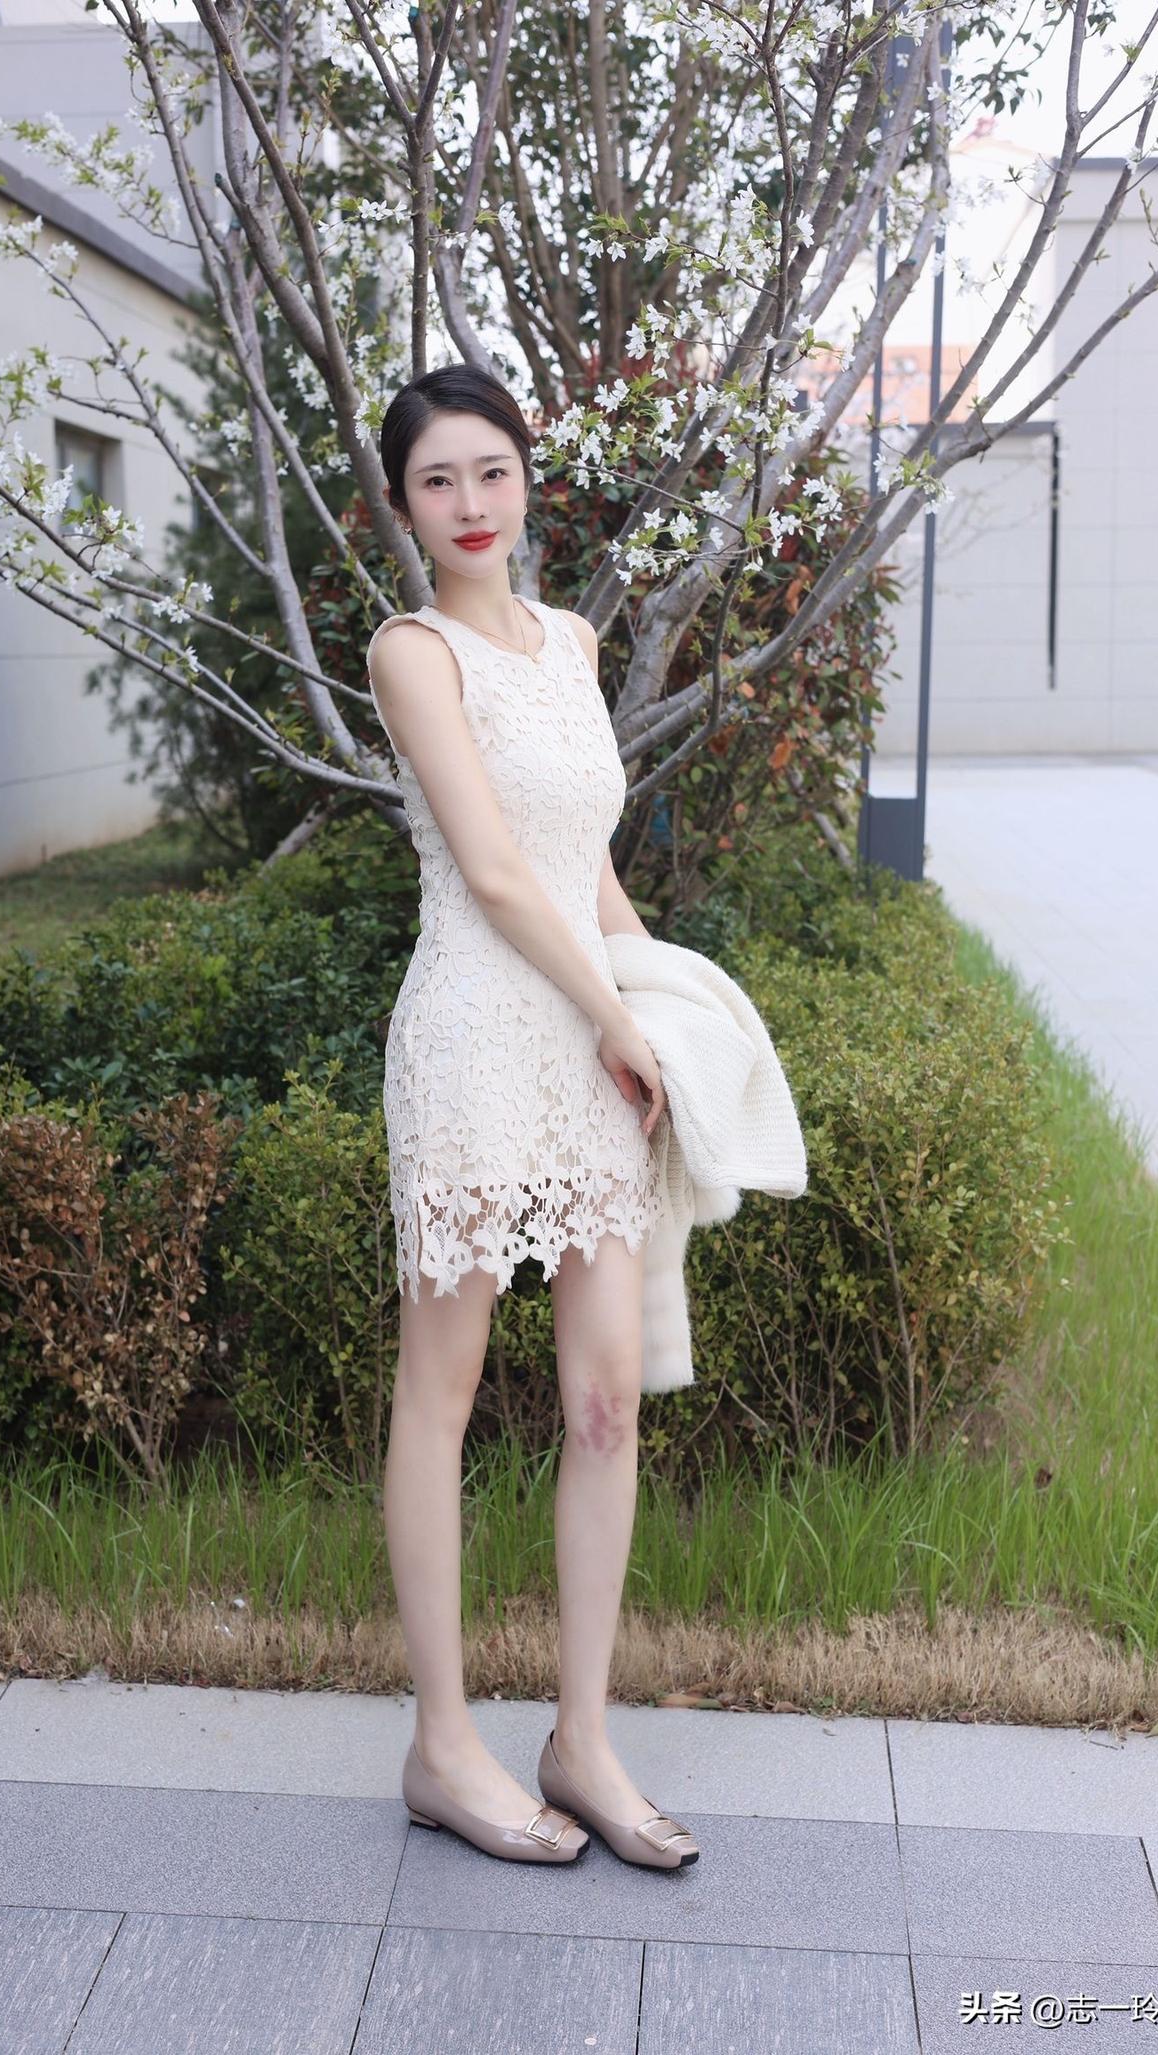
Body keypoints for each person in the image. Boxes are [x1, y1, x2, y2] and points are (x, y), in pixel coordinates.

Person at [367, 363, 699, 1870]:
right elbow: (496, 874)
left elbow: (580, 862)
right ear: (402, 505)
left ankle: (582, 1739)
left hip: (585, 1040)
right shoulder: (414, 652)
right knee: (439, 1392)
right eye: (437, 480)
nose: (470, 504)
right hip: (473, 1039)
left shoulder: (570, 641)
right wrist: (611, 1015)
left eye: (490, 471)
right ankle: (443, 1746)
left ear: (526, 477)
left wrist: (655, 1008)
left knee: (607, 1398)